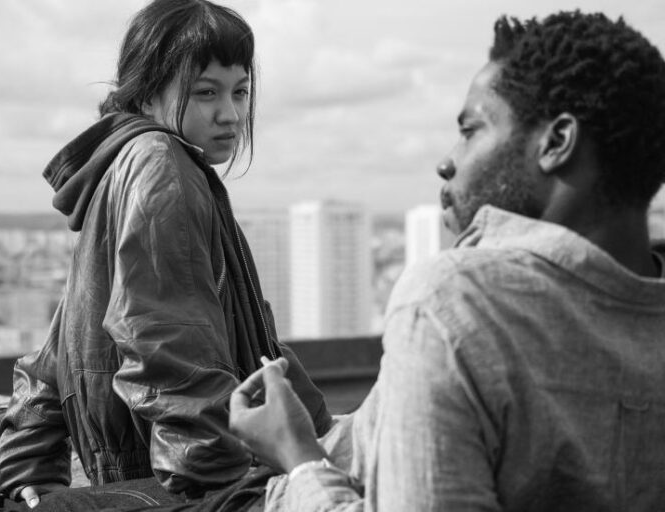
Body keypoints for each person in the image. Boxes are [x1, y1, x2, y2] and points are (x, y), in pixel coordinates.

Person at [230, 10, 665, 511]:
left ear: (556, 143)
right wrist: (325, 435)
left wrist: (299, 458)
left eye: (471, 130)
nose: (446, 161)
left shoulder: (454, 304)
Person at [0, 1, 331, 511]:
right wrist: (224, 484)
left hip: (171, 459)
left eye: (240, 92)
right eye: (206, 92)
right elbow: (164, 347)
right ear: (147, 93)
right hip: (178, 468)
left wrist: (26, 458)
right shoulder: (162, 167)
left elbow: (75, 323)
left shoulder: (141, 163)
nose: (231, 114)